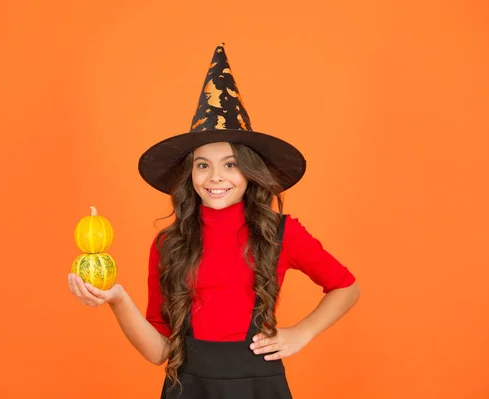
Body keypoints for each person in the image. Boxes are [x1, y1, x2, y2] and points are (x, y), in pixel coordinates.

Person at [68, 43, 360, 399]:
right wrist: (116, 298)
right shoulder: (169, 244)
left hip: (259, 385)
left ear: (250, 172)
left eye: (231, 164)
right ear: (189, 174)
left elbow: (347, 287)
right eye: (202, 165)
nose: (215, 177)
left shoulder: (281, 233)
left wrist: (302, 332)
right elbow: (158, 351)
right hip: (189, 386)